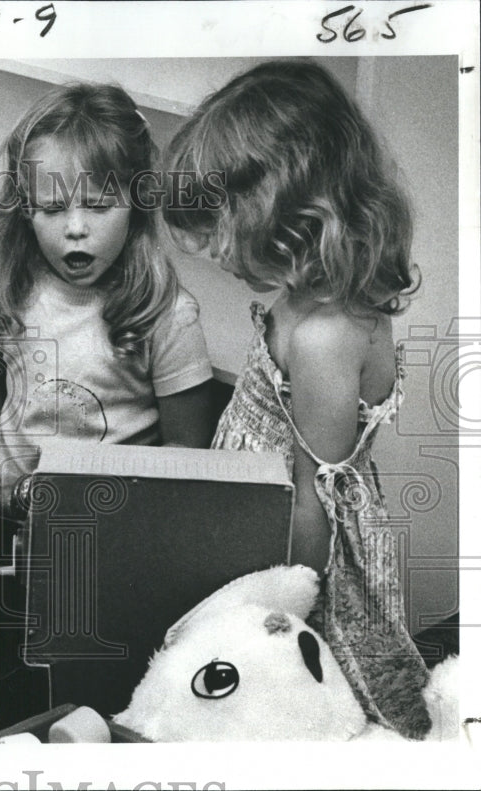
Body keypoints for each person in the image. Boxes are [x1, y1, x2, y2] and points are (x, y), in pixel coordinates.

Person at [165, 60, 430, 738]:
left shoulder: (323, 337)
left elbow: (315, 504)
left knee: (307, 699)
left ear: (287, 214)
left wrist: (281, 603)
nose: (214, 255)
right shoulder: (312, 293)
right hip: (260, 511)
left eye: (223, 238)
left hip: (296, 549)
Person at [0, 83, 214, 505]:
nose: (75, 228)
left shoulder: (168, 316)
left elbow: (186, 449)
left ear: (137, 204)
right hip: (4, 509)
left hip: (110, 519)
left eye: (98, 206)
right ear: (25, 209)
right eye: (54, 208)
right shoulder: (6, 286)